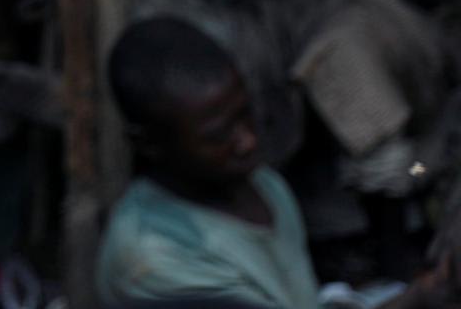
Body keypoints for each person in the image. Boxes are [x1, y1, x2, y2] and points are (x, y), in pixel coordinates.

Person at [98, 16, 455, 309]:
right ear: (149, 144)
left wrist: (421, 296)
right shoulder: (153, 261)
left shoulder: (262, 185)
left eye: (245, 114)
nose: (248, 140)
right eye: (219, 135)